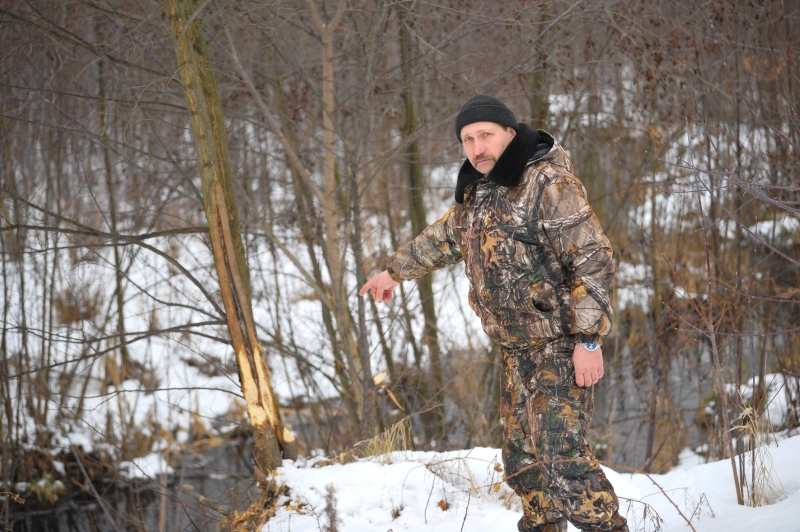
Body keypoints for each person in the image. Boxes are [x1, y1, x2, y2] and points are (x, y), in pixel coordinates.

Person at [359, 94, 628, 532]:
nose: (477, 147)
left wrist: (589, 341)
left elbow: (593, 260)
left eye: (485, 135)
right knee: (523, 462)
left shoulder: (548, 184)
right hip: (514, 348)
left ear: (510, 133)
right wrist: (392, 273)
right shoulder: (480, 191)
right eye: (468, 139)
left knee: (562, 460)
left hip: (559, 345)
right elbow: (444, 239)